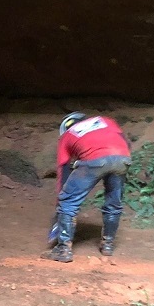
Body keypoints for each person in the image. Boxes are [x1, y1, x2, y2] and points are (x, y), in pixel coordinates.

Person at [49, 112, 132, 262]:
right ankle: (108, 245)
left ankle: (63, 250)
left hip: (95, 159)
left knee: (68, 203)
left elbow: (63, 169)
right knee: (114, 202)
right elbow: (125, 141)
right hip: (122, 157)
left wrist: (60, 200)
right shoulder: (104, 120)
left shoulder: (67, 135)